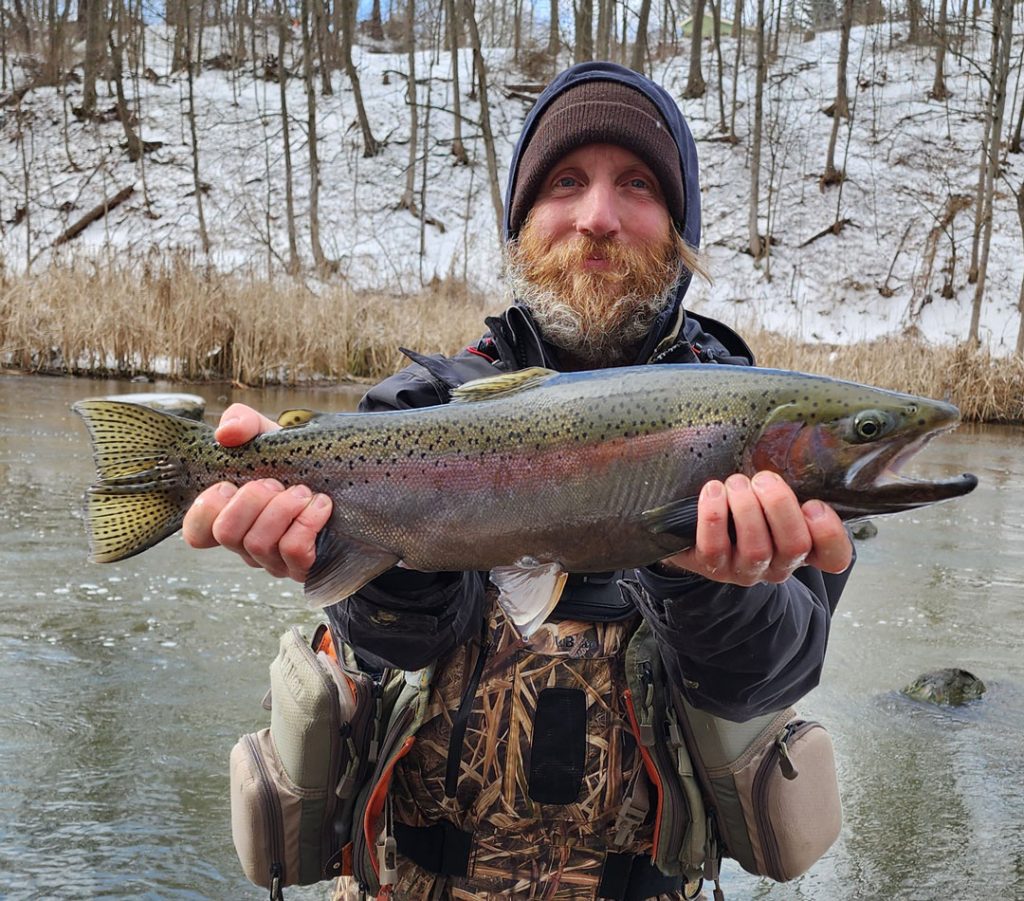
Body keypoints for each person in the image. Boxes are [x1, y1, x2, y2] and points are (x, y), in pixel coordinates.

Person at [184, 61, 853, 900]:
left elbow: (778, 666)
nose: (598, 217)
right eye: (566, 182)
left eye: (638, 184)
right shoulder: (421, 408)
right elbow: (387, 645)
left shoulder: (748, 424)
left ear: (681, 230)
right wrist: (344, 554)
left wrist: (708, 578)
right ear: (521, 225)